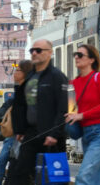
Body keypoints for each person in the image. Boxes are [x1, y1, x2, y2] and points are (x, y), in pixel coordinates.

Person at [11, 39, 68, 184]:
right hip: (30, 133)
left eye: (38, 50)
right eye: (32, 50)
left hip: (50, 135)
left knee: (53, 177)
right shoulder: (30, 77)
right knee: (20, 174)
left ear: (49, 53)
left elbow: (62, 108)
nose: (34, 53)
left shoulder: (57, 76)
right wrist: (20, 129)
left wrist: (55, 134)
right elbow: (20, 105)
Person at [65, 44, 100, 184]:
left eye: (80, 55)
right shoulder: (76, 82)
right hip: (87, 133)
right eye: (75, 54)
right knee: (99, 178)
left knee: (84, 176)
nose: (76, 57)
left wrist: (82, 116)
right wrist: (72, 116)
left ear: (91, 60)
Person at [0, 60, 32, 185]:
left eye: (18, 70)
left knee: (6, 158)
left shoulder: (30, 90)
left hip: (24, 133)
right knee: (3, 159)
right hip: (15, 132)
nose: (15, 73)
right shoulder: (19, 89)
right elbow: (8, 105)